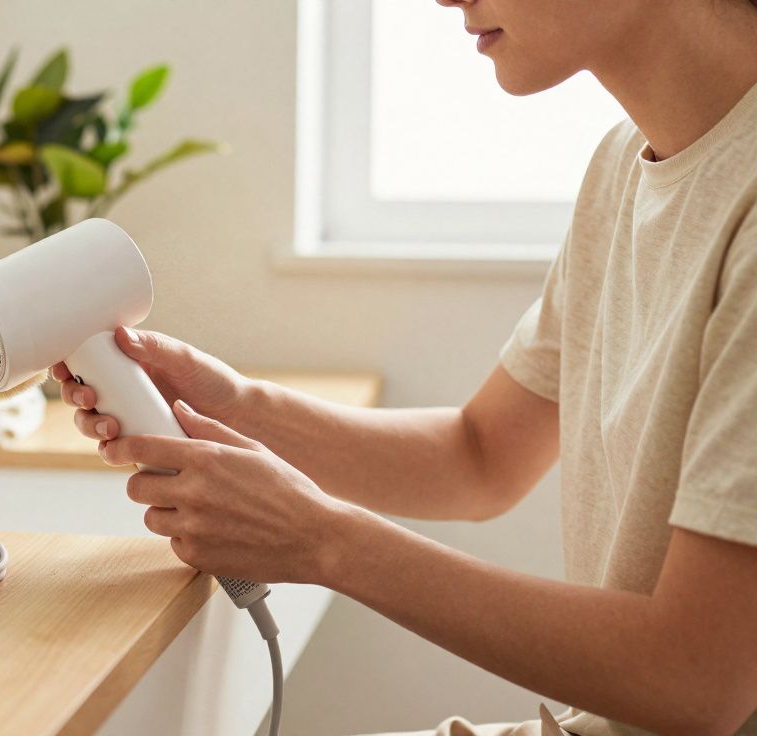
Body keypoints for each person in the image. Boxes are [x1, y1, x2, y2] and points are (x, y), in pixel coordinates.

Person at [53, 0, 757, 733]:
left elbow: (695, 680)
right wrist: (235, 403)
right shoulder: (624, 164)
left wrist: (321, 539)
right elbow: (480, 456)